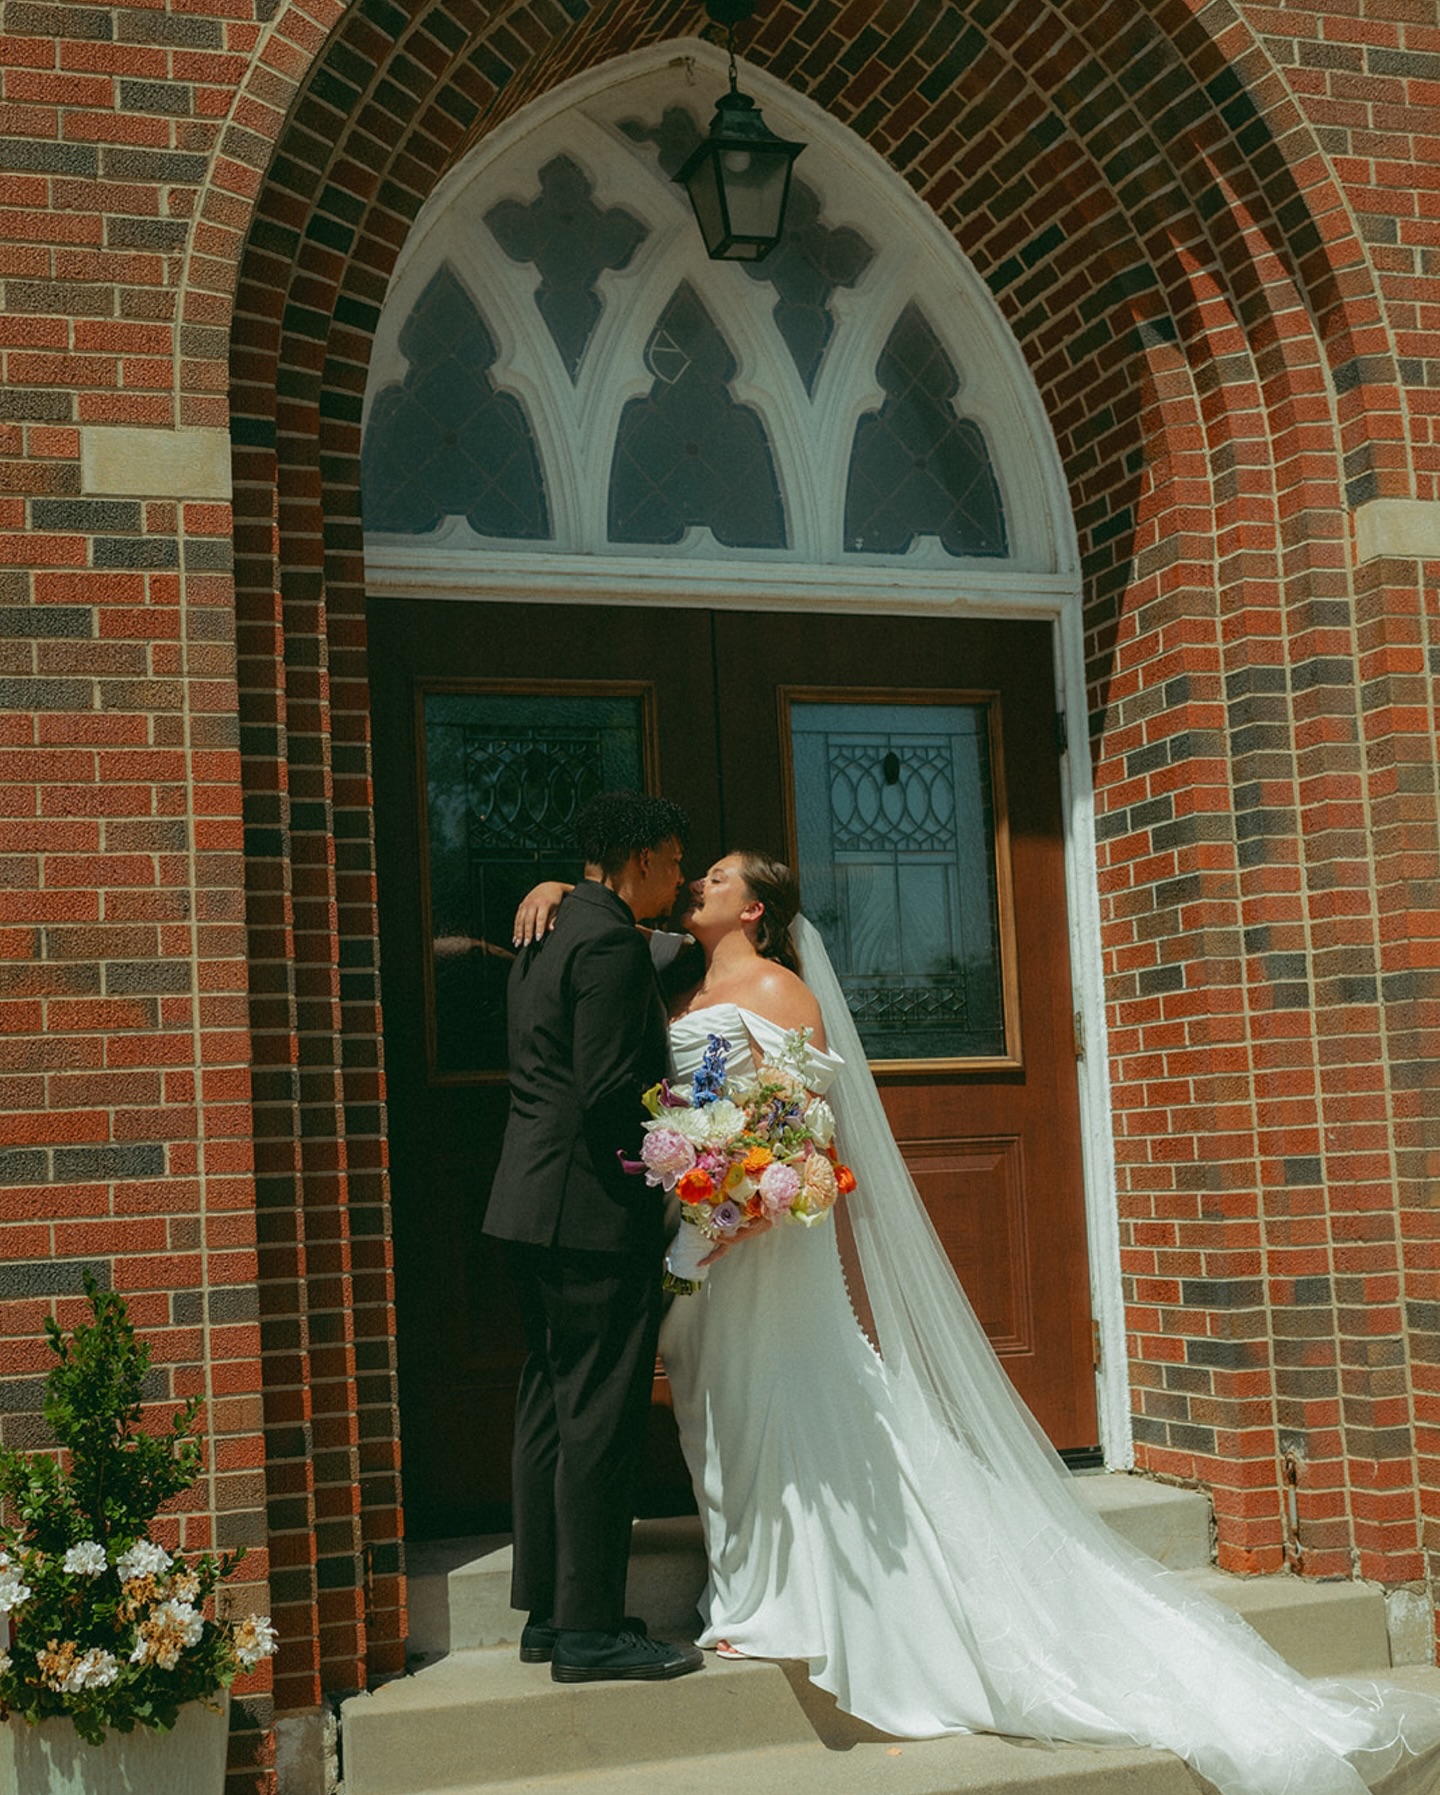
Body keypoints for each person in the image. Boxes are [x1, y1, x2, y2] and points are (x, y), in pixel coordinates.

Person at [517, 849, 1440, 1792]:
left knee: (780, 1390)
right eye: (695, 875)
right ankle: (749, 1573)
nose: (696, 884)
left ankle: (796, 1593)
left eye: (715, 877)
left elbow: (800, 1122)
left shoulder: (781, 988)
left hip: (758, 1235)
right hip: (697, 1237)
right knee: (719, 1400)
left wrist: (740, 1199)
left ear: (753, 908)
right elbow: (601, 932)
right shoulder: (671, 967)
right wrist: (555, 886)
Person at [483, 791, 703, 1684]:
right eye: (676, 859)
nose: (683, 876)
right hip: (588, 1215)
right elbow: (615, 1090)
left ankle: (546, 1612)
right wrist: (684, 1152)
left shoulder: (550, 926)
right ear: (642, 857)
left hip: (526, 1205)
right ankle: (589, 1631)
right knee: (600, 1418)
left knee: (547, 1403)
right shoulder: (608, 941)